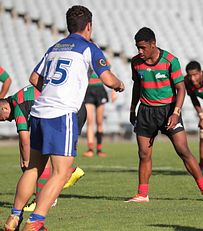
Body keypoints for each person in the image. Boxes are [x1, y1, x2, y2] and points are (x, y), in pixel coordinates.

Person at [3, 5, 124, 231]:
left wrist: (51, 90)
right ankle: (35, 222)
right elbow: (108, 80)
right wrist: (120, 84)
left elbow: (33, 78)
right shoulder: (89, 47)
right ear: (89, 26)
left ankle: (14, 217)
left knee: (33, 169)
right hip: (61, 114)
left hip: (38, 112)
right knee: (62, 172)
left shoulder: (54, 47)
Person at [127, 27, 203, 203]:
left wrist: (176, 113)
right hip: (145, 112)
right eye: (137, 47)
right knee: (143, 154)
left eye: (143, 47)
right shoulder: (136, 62)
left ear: (153, 44)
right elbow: (137, 87)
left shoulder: (170, 61)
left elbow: (181, 88)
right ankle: (142, 194)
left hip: (168, 110)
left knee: (183, 150)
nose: (140, 51)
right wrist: (133, 109)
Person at [0, 85, 86, 212]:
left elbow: (24, 138)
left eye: (1, 117)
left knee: (41, 157)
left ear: (4, 107)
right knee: (45, 152)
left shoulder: (18, 105)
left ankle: (43, 197)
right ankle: (68, 174)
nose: (4, 121)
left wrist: (26, 160)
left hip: (68, 112)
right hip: (71, 109)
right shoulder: (19, 99)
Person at [82, 63, 117, 158]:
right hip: (88, 90)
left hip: (100, 90)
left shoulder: (102, 59)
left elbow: (109, 74)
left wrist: (114, 91)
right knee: (89, 121)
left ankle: (99, 148)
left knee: (99, 121)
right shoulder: (86, 58)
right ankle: (90, 149)